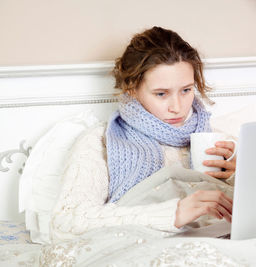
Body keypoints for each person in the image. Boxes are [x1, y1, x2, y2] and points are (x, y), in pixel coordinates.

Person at [50, 26, 236, 241]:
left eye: (186, 90)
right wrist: (173, 214)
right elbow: (66, 222)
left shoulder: (220, 142)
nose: (177, 106)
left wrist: (238, 177)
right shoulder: (100, 141)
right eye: (161, 93)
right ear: (131, 88)